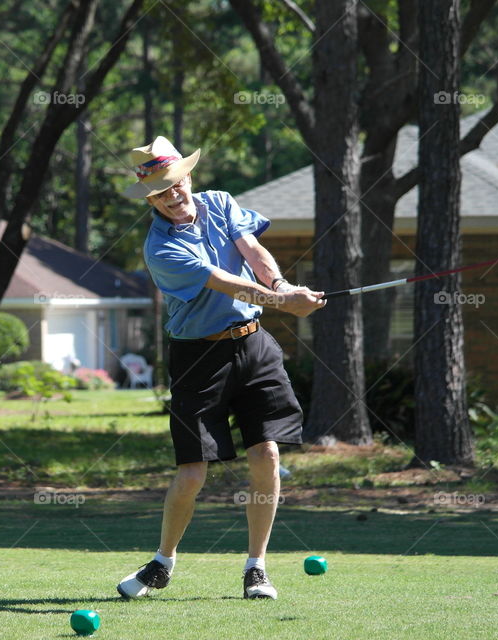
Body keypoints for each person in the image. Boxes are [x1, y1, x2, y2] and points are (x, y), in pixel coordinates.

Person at [116, 136, 326, 601]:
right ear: (149, 197)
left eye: (175, 183)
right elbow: (223, 281)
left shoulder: (220, 203)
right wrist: (281, 302)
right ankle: (163, 561)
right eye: (159, 191)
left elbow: (251, 253)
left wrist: (282, 285)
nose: (171, 196)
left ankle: (257, 567)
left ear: (188, 176)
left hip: (253, 346)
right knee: (193, 472)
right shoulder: (160, 247)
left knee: (267, 455)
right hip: (198, 357)